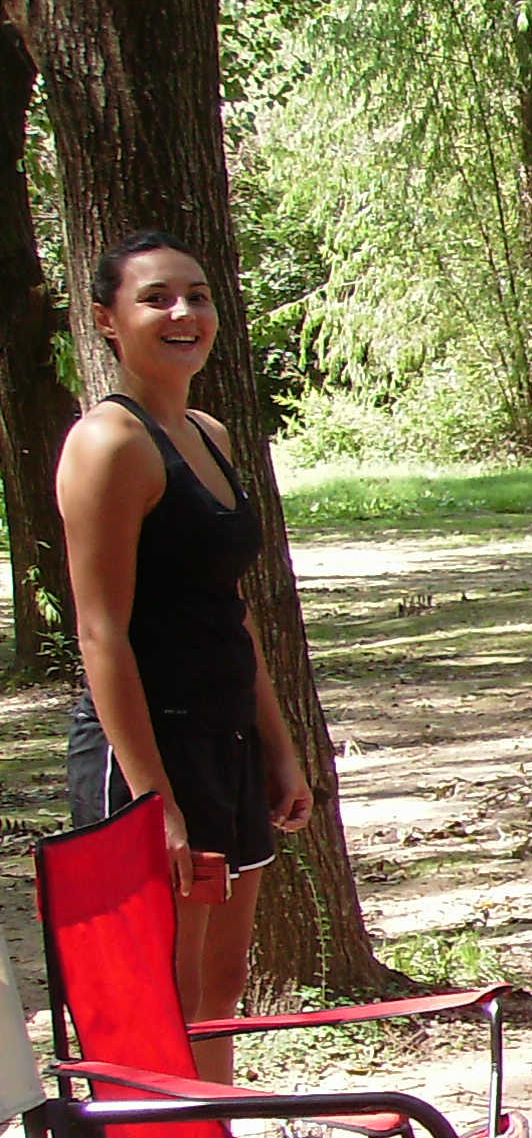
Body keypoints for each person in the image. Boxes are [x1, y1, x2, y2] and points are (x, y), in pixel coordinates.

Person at [59, 231, 314, 1077]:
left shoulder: (209, 434)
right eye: (157, 298)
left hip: (225, 740)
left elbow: (229, 609)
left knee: (220, 986)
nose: (184, 313)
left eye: (197, 296)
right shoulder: (109, 442)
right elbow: (101, 632)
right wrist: (152, 803)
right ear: (107, 320)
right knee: (161, 995)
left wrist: (278, 748)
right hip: (150, 749)